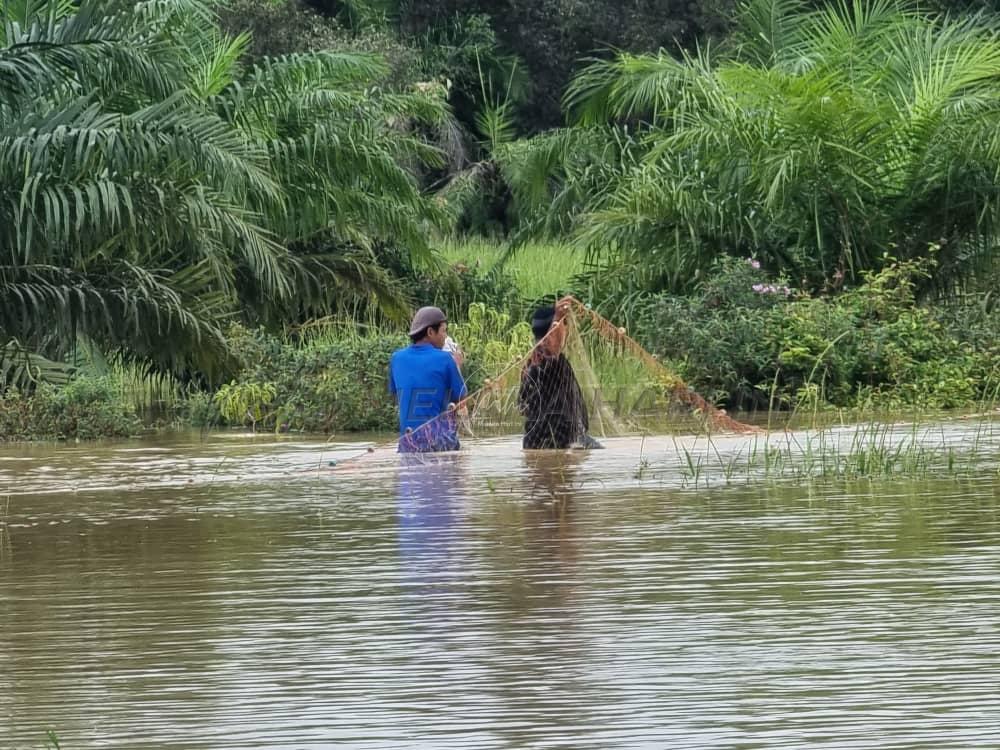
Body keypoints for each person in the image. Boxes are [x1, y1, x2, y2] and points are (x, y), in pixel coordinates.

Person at [518, 301, 604, 450]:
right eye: (563, 325)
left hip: (535, 441)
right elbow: (552, 342)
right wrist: (557, 317)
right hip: (561, 439)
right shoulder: (550, 360)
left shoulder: (531, 364)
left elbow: (522, 408)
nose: (566, 329)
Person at [389, 306, 468, 452]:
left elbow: (397, 395)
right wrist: (457, 366)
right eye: (444, 331)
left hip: (407, 444)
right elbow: (461, 398)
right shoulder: (445, 359)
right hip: (440, 443)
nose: (445, 336)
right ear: (430, 332)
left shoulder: (396, 358)